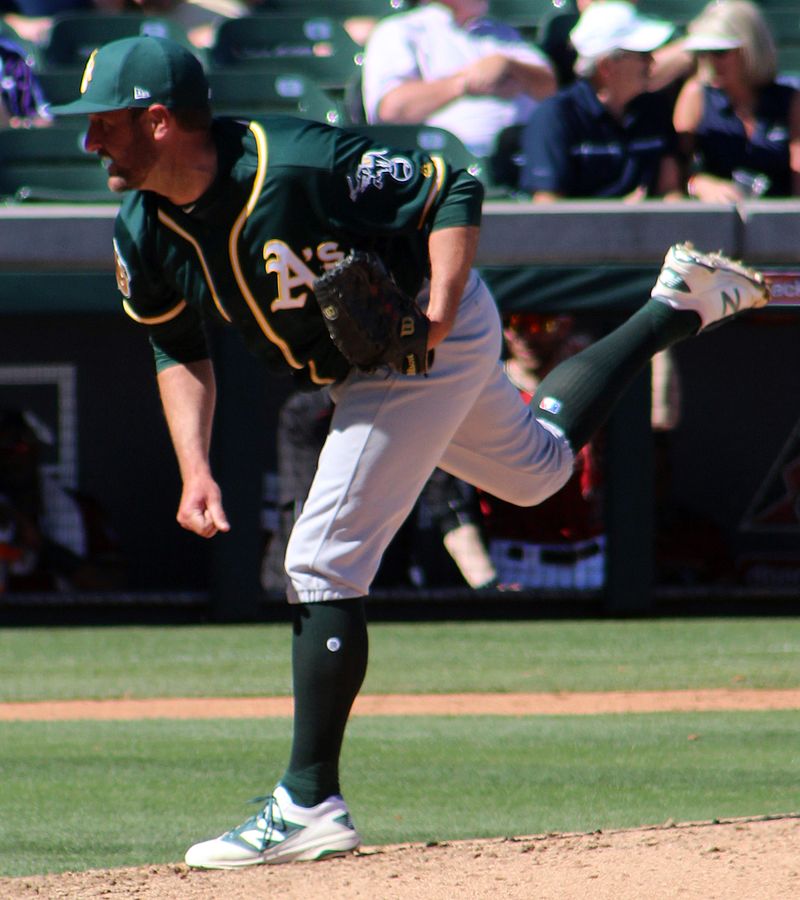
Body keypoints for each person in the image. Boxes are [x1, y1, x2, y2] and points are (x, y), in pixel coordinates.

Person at [50, 34, 768, 868]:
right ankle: (673, 308)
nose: (89, 140)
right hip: (367, 364)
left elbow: (450, 188)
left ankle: (309, 800)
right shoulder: (143, 225)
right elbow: (176, 347)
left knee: (319, 558)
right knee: (536, 473)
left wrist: (436, 318)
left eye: (103, 122)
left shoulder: (296, 161)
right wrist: (196, 465)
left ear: (161, 121)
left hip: (423, 339)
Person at [262, 387, 498, 593]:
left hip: (386, 585)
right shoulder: (308, 411)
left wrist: (489, 588)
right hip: (299, 581)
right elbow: (305, 512)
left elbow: (447, 506)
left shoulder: (414, 409)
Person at [478, 313, 606, 590]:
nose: (526, 336)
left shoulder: (585, 383)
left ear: (564, 326)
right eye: (516, 325)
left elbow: (660, 420)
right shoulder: (489, 388)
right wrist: (483, 577)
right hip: (519, 559)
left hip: (592, 555)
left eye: (540, 325)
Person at [520, 0, 683, 201]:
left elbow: (670, 191)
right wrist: (618, 217)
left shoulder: (655, 109)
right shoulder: (554, 116)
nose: (652, 62)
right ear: (607, 67)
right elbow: (547, 208)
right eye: (643, 54)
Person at [361, 0, 557, 160]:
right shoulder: (400, 30)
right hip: (442, 167)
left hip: (521, 158)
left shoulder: (502, 33)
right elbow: (392, 110)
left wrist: (510, 66)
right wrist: (464, 83)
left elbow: (551, 88)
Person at [673, 0, 800, 201]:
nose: (711, 62)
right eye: (704, 53)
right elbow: (674, 175)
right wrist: (699, 184)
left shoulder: (789, 100)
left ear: (750, 48)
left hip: (776, 219)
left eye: (720, 53)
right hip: (716, 220)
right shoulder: (696, 95)